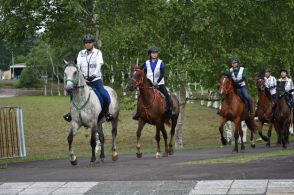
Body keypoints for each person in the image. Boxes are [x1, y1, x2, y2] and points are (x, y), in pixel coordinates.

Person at [63, 34, 113, 122]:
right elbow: (78, 65)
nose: (88, 44)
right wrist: (81, 74)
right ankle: (71, 113)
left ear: (93, 43)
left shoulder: (98, 52)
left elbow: (99, 64)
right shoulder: (81, 53)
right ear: (84, 44)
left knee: (104, 94)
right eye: (86, 42)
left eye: (90, 42)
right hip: (84, 80)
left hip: (96, 79)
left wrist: (94, 74)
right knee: (73, 93)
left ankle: (107, 113)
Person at [133, 46, 175, 120]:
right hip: (148, 84)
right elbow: (140, 69)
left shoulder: (161, 62)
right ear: (150, 54)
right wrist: (136, 68)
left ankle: (170, 111)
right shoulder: (146, 63)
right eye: (153, 53)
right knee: (140, 96)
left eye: (156, 53)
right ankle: (138, 113)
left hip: (159, 84)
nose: (155, 54)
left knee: (167, 96)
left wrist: (157, 82)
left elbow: (162, 74)